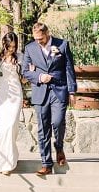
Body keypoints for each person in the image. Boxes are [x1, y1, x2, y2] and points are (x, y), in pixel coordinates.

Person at [22, 22, 77, 176]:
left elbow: (69, 69)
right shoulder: (30, 48)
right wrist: (39, 76)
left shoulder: (62, 45)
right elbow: (25, 71)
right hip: (40, 92)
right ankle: (46, 163)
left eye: (41, 38)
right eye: (36, 39)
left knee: (58, 122)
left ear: (47, 34)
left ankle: (59, 147)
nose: (38, 41)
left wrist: (72, 91)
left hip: (59, 90)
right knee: (43, 128)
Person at [0, 32, 23, 175]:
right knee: (3, 128)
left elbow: (24, 78)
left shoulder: (20, 57)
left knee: (12, 126)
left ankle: (9, 160)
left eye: (14, 46)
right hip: (2, 94)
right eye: (9, 46)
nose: (12, 49)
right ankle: (4, 161)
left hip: (15, 94)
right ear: (4, 44)